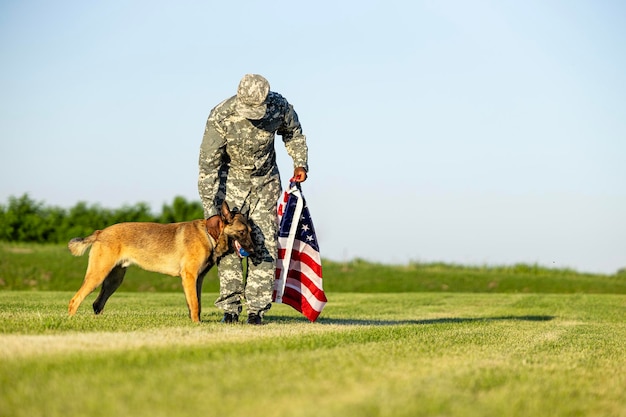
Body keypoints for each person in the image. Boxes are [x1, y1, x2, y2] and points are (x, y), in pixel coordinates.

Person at [198, 74, 309, 325]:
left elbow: (293, 132)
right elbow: (208, 166)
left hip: (265, 185)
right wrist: (211, 211)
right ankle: (230, 308)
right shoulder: (221, 116)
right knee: (227, 247)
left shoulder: (278, 106)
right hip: (232, 186)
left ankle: (256, 310)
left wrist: (300, 162)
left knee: (264, 243)